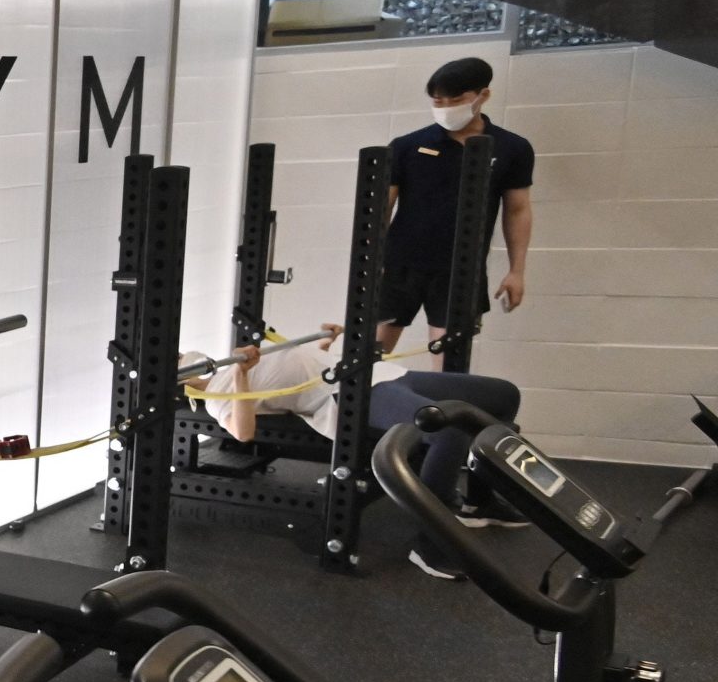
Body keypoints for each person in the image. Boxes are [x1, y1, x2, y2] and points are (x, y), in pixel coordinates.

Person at [191, 326, 526, 579]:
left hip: (384, 374)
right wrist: (240, 373)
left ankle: (478, 501)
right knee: (447, 431)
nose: (183, 356)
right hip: (350, 392)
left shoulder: (226, 370)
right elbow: (243, 432)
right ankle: (432, 546)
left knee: (503, 395)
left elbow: (301, 367)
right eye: (176, 361)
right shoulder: (218, 395)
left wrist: (326, 342)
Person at [378, 56, 535, 355]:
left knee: (449, 362)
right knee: (370, 358)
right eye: (438, 101)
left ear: (482, 96)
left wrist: (517, 271)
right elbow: (381, 207)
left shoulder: (512, 148)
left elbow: (517, 210)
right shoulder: (407, 146)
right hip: (400, 265)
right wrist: (372, 263)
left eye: (456, 100)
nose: (446, 108)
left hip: (460, 268)